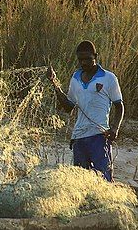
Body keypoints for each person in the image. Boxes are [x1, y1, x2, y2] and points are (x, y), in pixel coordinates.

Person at [47, 40, 124, 182]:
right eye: (80, 60)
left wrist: (115, 128)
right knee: (80, 181)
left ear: (95, 56)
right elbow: (68, 106)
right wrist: (54, 83)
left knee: (104, 179)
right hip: (79, 137)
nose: (84, 63)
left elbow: (119, 106)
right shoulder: (75, 78)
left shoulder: (109, 78)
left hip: (99, 137)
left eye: (88, 59)